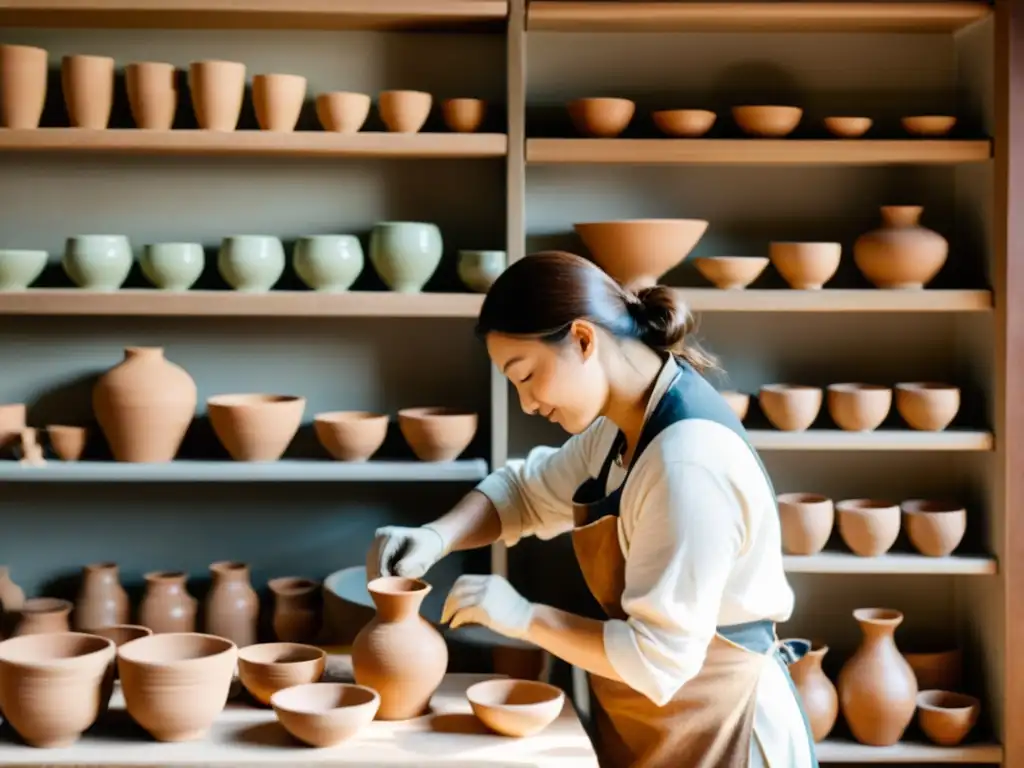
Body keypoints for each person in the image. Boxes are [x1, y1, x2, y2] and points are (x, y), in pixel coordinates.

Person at [366, 250, 817, 768]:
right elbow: (524, 493)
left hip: (729, 731)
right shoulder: (619, 428)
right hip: (666, 725)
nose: (527, 404)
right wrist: (438, 536)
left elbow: (656, 660)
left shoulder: (688, 463)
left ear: (583, 339)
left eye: (526, 375)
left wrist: (524, 618)